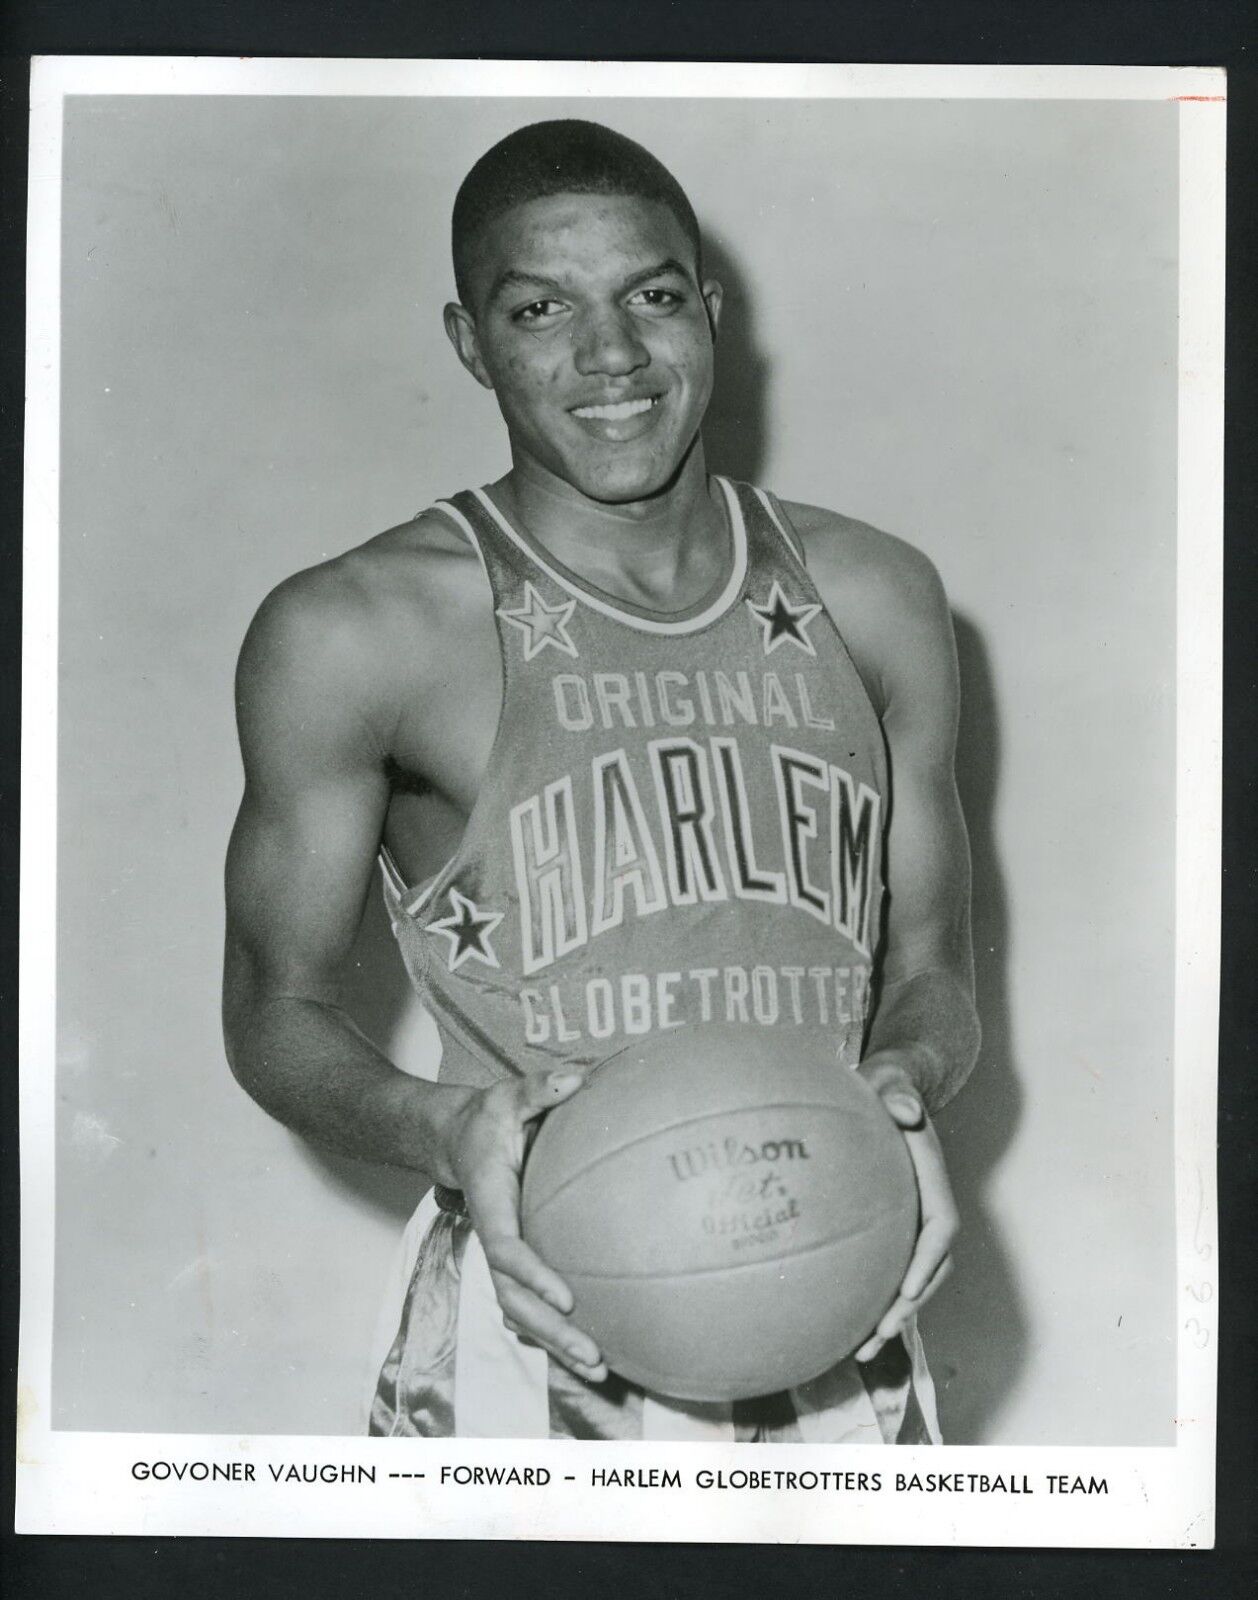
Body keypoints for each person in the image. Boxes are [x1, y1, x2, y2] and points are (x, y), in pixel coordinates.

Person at [222, 119, 981, 1443]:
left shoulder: (876, 595)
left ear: (709, 309)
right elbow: (273, 1014)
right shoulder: (356, 630)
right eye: (539, 308)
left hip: (837, 1304)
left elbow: (931, 963)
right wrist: (439, 1126)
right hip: (540, 1318)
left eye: (650, 295)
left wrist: (905, 1081)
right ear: (470, 341)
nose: (611, 356)